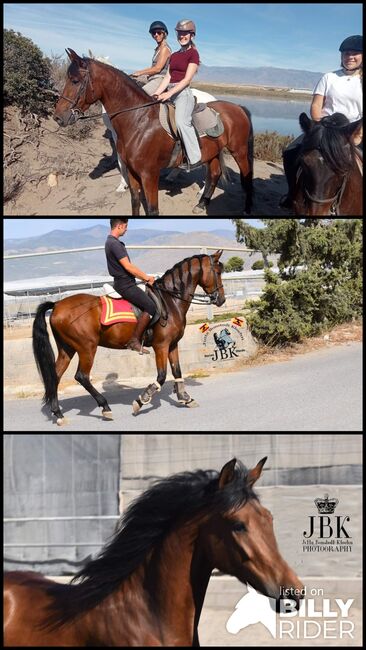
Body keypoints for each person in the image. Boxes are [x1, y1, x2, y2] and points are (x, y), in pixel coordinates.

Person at [280, 34, 363, 209]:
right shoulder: (329, 77)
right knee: (290, 152)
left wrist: (358, 134)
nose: (350, 57)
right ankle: (292, 193)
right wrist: (318, 127)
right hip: (326, 128)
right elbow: (316, 105)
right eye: (346, 53)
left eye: (354, 53)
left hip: (354, 130)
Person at [154, 19, 202, 170]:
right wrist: (157, 93)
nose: (182, 36)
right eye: (180, 33)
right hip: (170, 90)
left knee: (182, 122)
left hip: (182, 94)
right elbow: (168, 77)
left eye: (185, 34)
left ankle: (194, 159)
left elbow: (187, 79)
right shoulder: (173, 55)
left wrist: (169, 94)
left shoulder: (193, 54)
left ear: (191, 35)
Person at [105, 219, 156, 354]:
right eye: (125, 226)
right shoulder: (114, 244)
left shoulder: (111, 242)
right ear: (119, 226)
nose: (126, 229)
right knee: (151, 306)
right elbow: (128, 266)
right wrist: (146, 278)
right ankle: (134, 340)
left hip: (124, 282)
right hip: (125, 284)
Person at [131, 21, 172, 96]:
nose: (156, 35)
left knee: (139, 95)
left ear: (164, 34)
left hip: (160, 79)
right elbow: (152, 68)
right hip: (152, 78)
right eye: (154, 33)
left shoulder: (165, 49)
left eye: (159, 32)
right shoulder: (158, 49)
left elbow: (157, 68)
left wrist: (140, 73)